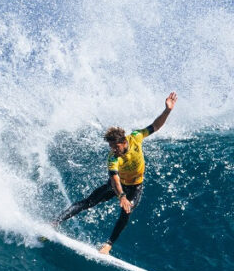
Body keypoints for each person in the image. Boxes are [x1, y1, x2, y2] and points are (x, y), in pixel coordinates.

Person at [53, 92, 178, 255]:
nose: (113, 150)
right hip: (118, 186)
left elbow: (155, 126)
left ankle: (108, 245)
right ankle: (54, 222)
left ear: (124, 142)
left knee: (127, 211)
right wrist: (121, 196)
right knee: (89, 202)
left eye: (115, 146)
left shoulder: (135, 137)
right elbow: (115, 180)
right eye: (111, 147)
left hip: (135, 186)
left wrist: (167, 111)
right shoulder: (112, 158)